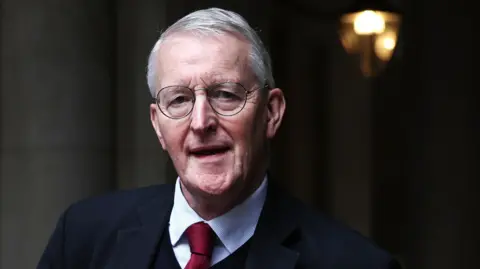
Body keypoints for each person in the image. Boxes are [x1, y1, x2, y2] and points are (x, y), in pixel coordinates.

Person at [37, 7, 400, 269]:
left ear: (271, 113)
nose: (200, 122)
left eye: (225, 94)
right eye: (178, 99)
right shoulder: (84, 237)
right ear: (157, 126)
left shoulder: (354, 263)